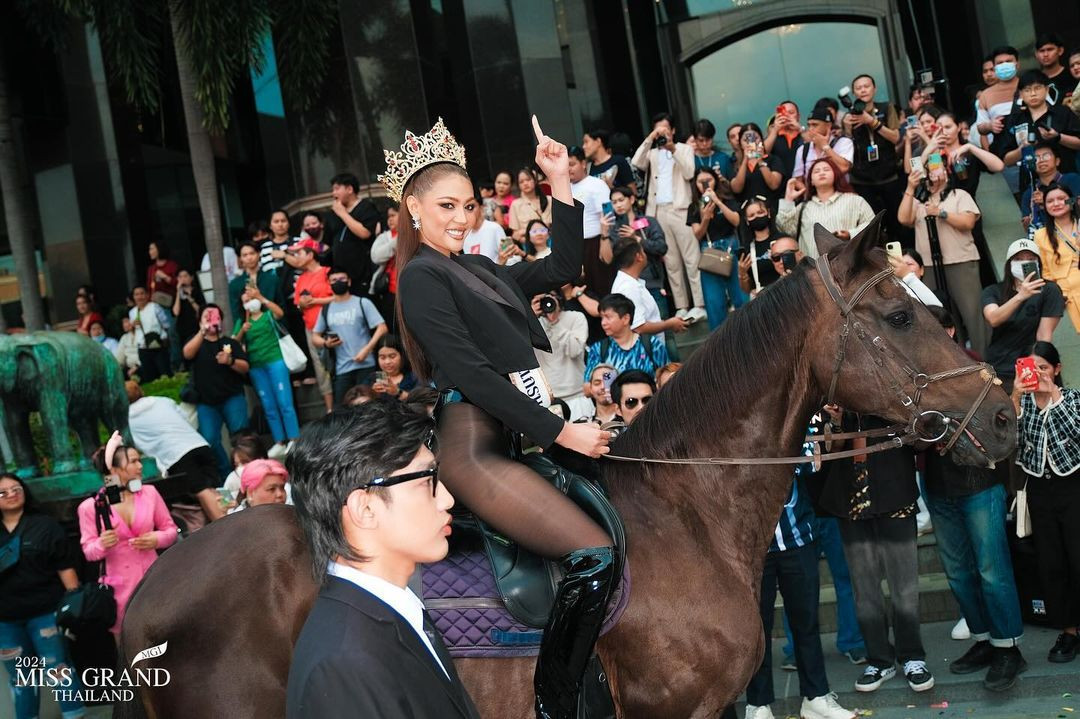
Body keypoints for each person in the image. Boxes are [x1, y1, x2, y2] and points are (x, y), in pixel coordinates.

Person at [393, 116, 615, 716]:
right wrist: (563, 430)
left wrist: (558, 181)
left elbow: (567, 265)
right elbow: (472, 376)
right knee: (593, 554)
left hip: (516, 438)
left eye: (470, 205)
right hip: (472, 448)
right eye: (447, 205)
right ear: (414, 207)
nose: (463, 218)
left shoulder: (481, 269)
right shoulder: (420, 277)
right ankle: (554, 705)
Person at [286, 402, 478, 719]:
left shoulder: (394, 609)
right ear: (365, 509)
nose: (447, 499)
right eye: (426, 480)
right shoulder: (344, 665)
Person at [922, 310, 1028, 691]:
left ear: (951, 330)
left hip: (981, 483)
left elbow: (1001, 421)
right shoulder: (918, 378)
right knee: (958, 572)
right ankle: (983, 640)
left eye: (937, 328)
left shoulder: (976, 370)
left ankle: (1008, 648)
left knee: (991, 570)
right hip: (937, 486)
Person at [816, 408, 932, 694]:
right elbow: (823, 450)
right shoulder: (833, 399)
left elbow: (921, 439)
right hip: (849, 497)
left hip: (895, 490)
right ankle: (879, 659)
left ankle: (912, 658)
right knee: (864, 590)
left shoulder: (888, 390)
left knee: (904, 587)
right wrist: (837, 420)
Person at [744, 428, 856, 719]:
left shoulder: (796, 422)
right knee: (758, 630)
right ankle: (758, 704)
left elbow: (814, 461)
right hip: (754, 549)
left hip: (799, 541)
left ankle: (816, 696)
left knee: (806, 623)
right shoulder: (738, 422)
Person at [1011, 341, 1080, 664]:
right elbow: (1012, 442)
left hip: (1074, 486)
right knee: (1051, 563)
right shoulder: (1023, 406)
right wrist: (1015, 394)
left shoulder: (1074, 399)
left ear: (1057, 370)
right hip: (1040, 490)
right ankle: (1068, 631)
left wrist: (1053, 396)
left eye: (1043, 367)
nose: (1037, 373)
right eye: (1031, 367)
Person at [0, 474, 86, 719]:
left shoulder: (45, 525)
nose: (11, 494)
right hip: (6, 621)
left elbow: (65, 568)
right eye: (2, 492)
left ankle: (75, 715)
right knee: (21, 678)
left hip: (46, 614)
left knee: (58, 669)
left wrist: (73, 606)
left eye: (16, 488)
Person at [79, 435, 178, 636]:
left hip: (155, 579)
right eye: (133, 461)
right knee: (129, 643)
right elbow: (88, 551)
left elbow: (170, 530)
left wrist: (156, 539)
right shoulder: (91, 507)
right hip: (119, 589)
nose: (140, 466)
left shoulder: (150, 493)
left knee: (168, 635)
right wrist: (102, 544)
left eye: (138, 460)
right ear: (113, 470)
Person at [898, 166, 988, 356]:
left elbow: (968, 222)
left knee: (972, 314)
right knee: (938, 314)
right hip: (929, 264)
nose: (933, 174)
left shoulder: (959, 194)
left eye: (937, 169)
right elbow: (903, 218)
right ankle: (954, 359)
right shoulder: (919, 199)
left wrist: (941, 212)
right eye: (929, 171)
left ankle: (983, 361)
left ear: (947, 174)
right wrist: (911, 187)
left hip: (961, 260)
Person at [632, 113, 708, 323]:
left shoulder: (684, 149)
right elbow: (637, 162)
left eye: (665, 129)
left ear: (673, 131)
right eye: (659, 130)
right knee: (672, 262)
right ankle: (682, 306)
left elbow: (689, 172)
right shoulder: (653, 153)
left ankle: (699, 304)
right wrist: (651, 138)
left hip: (680, 209)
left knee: (691, 258)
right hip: (658, 211)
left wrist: (672, 148)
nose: (663, 134)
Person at [125, 381, 225, 522]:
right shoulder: (163, 401)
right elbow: (185, 418)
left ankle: (225, 527)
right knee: (215, 489)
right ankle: (233, 521)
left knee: (202, 492)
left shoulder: (127, 419)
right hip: (199, 444)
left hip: (176, 456)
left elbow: (133, 445)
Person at [982, 238, 1064, 386]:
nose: (1024, 263)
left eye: (1030, 259)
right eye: (1018, 259)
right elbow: (993, 318)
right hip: (999, 365)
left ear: (1038, 262)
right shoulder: (993, 291)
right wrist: (1020, 296)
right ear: (1009, 264)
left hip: (1033, 365)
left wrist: (1038, 369)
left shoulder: (1049, 290)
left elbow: (1044, 336)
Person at [233, 282, 300, 459]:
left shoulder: (268, 314)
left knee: (285, 402)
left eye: (251, 298)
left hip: (275, 361)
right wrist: (241, 331)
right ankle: (279, 441)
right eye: (246, 300)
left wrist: (261, 297)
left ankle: (294, 438)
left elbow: (280, 313)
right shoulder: (242, 321)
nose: (250, 302)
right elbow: (234, 342)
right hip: (256, 367)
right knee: (269, 406)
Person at [182, 304, 251, 475]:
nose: (211, 318)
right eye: (207, 315)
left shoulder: (230, 343)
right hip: (206, 403)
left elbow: (245, 367)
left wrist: (230, 361)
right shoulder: (196, 342)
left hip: (232, 397)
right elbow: (187, 354)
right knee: (210, 440)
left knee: (241, 437)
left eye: (215, 316)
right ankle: (226, 473)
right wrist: (202, 331)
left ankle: (247, 470)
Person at [992, 70, 1080, 197]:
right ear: (1021, 94)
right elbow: (1006, 160)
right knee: (1032, 215)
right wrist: (1022, 149)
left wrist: (1058, 137)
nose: (1033, 94)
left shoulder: (1063, 113)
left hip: (1066, 179)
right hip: (1031, 184)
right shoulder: (1014, 119)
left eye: (1037, 88)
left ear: (1047, 90)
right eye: (1027, 90)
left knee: (1071, 210)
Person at [842, 74, 907, 243]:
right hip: (862, 179)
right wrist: (847, 128)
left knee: (897, 223)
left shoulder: (887, 108)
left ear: (874, 89)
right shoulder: (849, 115)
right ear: (854, 93)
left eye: (867, 86)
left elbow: (895, 138)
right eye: (858, 88)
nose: (863, 90)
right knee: (871, 227)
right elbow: (847, 146)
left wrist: (872, 122)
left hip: (888, 175)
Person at [312, 268, 389, 404]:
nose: (338, 282)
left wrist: (367, 349)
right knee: (343, 412)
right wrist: (326, 343)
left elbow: (382, 328)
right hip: (341, 368)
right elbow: (315, 337)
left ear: (349, 282)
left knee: (371, 406)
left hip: (366, 365)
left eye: (342, 279)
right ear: (329, 283)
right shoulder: (326, 309)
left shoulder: (362, 302)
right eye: (334, 280)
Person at [777, 158, 875, 259]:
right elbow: (784, 228)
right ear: (811, 181)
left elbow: (873, 226)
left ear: (835, 175)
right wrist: (788, 199)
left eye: (826, 170)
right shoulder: (803, 207)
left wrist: (850, 234)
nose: (822, 173)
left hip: (848, 267)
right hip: (814, 270)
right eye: (816, 171)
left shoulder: (855, 200)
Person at [604, 185, 673, 320]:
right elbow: (608, 259)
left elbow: (662, 247)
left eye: (621, 200)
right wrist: (604, 233)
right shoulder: (613, 230)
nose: (618, 205)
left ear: (632, 199)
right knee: (637, 328)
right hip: (628, 287)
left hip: (653, 284)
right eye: (614, 202)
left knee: (663, 327)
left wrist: (637, 239)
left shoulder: (648, 222)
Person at [688, 166, 744, 328]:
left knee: (740, 296)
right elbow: (697, 234)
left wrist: (718, 201)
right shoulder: (693, 206)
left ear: (716, 180)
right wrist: (705, 217)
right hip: (709, 252)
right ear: (695, 184)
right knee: (714, 301)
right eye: (700, 182)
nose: (705, 184)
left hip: (731, 247)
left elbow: (737, 221)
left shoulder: (727, 199)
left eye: (709, 180)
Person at [609, 237, 686, 346]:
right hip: (645, 357)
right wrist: (669, 324)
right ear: (639, 257)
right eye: (643, 251)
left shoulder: (631, 283)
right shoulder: (628, 287)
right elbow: (638, 327)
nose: (645, 255)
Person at [289, 237, 335, 412]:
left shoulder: (327, 272)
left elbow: (338, 297)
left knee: (337, 364)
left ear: (310, 254)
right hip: (310, 328)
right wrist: (303, 303)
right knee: (320, 367)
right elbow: (297, 303)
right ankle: (330, 409)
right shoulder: (301, 278)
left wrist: (315, 300)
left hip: (332, 325)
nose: (296, 257)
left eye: (299, 253)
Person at [584, 293, 668, 380]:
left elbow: (666, 378)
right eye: (602, 318)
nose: (603, 323)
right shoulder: (599, 349)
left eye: (608, 317)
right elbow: (587, 385)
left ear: (626, 319)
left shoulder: (652, 344)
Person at [530, 292, 589, 417]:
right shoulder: (530, 322)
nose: (547, 302)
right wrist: (528, 318)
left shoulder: (576, 318)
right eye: (542, 299)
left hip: (576, 396)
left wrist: (555, 322)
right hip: (546, 399)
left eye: (550, 296)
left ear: (559, 297)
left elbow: (574, 350)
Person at [569, 144, 617, 298]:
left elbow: (608, 216)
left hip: (597, 242)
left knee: (603, 287)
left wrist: (605, 239)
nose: (569, 169)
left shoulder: (597, 185)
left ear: (583, 164)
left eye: (572, 164)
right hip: (576, 246)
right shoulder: (565, 188)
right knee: (584, 289)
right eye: (566, 166)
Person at [327, 172, 382, 297]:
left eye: (337, 189)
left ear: (350, 189)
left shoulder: (366, 207)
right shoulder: (333, 213)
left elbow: (365, 233)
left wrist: (343, 214)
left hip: (362, 272)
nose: (333, 194)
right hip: (342, 275)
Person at [976, 47, 1022, 195]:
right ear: (995, 67)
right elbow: (980, 127)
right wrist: (990, 125)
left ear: (1017, 64)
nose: (1004, 65)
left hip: (1036, 153)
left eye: (1009, 61)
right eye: (1000, 63)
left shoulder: (1028, 86)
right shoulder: (986, 95)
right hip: (1007, 158)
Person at [1034, 183, 1080, 331]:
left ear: (1071, 200)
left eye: (1062, 198)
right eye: (1050, 201)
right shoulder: (1040, 235)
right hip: (1066, 291)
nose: (1056, 203)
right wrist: (1057, 293)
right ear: (1045, 206)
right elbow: (1045, 272)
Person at [1019, 143, 1080, 232]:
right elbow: (1027, 227)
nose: (1041, 160)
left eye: (1046, 156)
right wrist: (1028, 222)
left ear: (1057, 161)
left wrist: (1047, 201)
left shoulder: (1072, 179)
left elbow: (1078, 201)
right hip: (1047, 237)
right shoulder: (1030, 193)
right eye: (1036, 158)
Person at [730, 122, 785, 214]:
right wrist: (745, 160)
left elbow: (774, 184)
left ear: (761, 140)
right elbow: (736, 188)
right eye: (746, 140)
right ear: (740, 143)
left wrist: (760, 161)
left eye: (755, 138)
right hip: (748, 213)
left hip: (770, 210)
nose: (751, 142)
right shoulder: (735, 164)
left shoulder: (773, 159)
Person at [792, 105, 854, 183]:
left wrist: (825, 146)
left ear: (828, 125)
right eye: (809, 125)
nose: (811, 129)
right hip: (813, 193)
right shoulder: (803, 149)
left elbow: (844, 168)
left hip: (840, 193)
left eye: (815, 125)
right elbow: (798, 180)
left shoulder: (844, 142)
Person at [736, 198, 783, 296]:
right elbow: (747, 290)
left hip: (785, 294)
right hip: (762, 301)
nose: (757, 217)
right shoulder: (746, 250)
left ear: (768, 213)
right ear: (746, 220)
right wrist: (742, 274)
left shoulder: (783, 240)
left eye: (760, 212)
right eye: (751, 215)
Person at [128, 285, 173, 383]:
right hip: (143, 347)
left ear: (147, 295)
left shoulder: (155, 307)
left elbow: (166, 324)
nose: (139, 297)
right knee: (149, 376)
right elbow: (133, 332)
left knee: (165, 374)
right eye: (136, 294)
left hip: (158, 346)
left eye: (142, 293)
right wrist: (132, 326)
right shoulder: (132, 312)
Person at [230, 240, 281, 323]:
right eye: (245, 255)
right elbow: (236, 313)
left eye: (252, 253)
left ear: (258, 254)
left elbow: (281, 306)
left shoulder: (272, 279)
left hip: (272, 325)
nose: (249, 258)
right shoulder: (235, 285)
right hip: (250, 329)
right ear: (240, 258)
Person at [370, 204, 400, 328]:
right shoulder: (384, 237)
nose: (390, 219)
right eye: (388, 216)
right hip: (390, 292)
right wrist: (400, 238)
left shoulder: (418, 233)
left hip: (413, 289)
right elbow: (376, 257)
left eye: (393, 215)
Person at [508, 167, 552, 244]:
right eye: (521, 182)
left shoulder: (549, 200)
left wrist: (524, 231)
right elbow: (516, 235)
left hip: (552, 242)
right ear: (518, 186)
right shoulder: (516, 205)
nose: (525, 183)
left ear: (535, 180)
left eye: (528, 180)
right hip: (529, 247)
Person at [371, 334, 418, 401]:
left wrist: (397, 392)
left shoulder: (413, 377)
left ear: (402, 355)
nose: (387, 362)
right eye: (382, 357)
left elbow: (421, 400)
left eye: (392, 356)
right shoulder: (372, 379)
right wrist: (371, 393)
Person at [763, 101, 804, 178]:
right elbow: (761, 154)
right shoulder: (773, 136)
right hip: (780, 185)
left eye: (791, 112)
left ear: (798, 116)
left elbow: (815, 145)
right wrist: (775, 130)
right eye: (783, 113)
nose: (787, 116)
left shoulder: (803, 134)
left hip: (803, 183)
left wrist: (800, 128)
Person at [1036, 32, 1078, 101]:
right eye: (1041, 51)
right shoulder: (1034, 79)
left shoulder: (1073, 75)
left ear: (1060, 50)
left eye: (1050, 49)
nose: (1045, 54)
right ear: (1036, 54)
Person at [464, 195, 506, 262]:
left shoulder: (494, 228)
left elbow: (510, 257)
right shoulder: (465, 235)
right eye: (465, 208)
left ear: (481, 208)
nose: (468, 211)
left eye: (471, 207)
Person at [172, 269, 205, 345]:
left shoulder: (197, 292)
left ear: (191, 278)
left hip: (197, 327)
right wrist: (178, 292)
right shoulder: (176, 294)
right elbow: (176, 312)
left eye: (185, 276)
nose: (182, 279)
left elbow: (201, 311)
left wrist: (190, 299)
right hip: (183, 329)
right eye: (180, 277)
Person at [259, 209, 294, 275]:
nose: (280, 224)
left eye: (283, 221)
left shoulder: (299, 242)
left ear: (288, 224)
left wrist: (285, 256)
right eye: (276, 221)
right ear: (270, 226)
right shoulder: (264, 247)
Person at [146, 240, 180, 307]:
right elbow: (149, 287)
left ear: (159, 249)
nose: (150, 252)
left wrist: (165, 277)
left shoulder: (172, 265)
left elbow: (178, 283)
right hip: (155, 303)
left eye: (152, 249)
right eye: (149, 250)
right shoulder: (151, 268)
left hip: (170, 303)